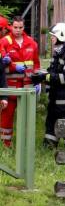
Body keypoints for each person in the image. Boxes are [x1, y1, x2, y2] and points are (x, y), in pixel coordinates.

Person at [30, 23, 65, 149]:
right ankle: (48, 149)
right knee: (51, 126)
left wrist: (45, 77)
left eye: (53, 36)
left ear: (61, 36)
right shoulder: (58, 54)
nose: (51, 38)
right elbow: (52, 73)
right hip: (56, 101)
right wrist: (40, 75)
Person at [0, 16, 40, 147]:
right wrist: (12, 66)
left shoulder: (32, 43)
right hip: (10, 86)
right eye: (15, 27)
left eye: (20, 27)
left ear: (24, 27)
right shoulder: (4, 42)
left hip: (27, 86)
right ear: (11, 26)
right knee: (6, 117)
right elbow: (2, 63)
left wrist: (37, 80)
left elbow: (36, 65)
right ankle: (5, 145)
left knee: (27, 118)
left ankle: (26, 145)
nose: (18, 30)